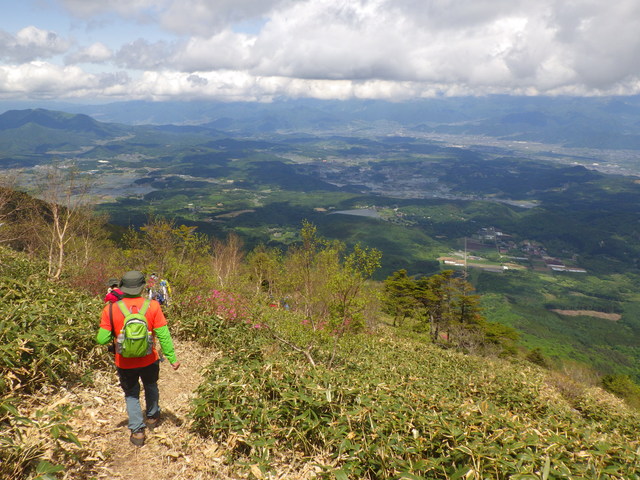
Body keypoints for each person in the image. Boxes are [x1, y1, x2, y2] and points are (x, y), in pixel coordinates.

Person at [96, 270, 181, 446]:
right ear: (143, 287)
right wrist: (172, 358)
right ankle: (152, 416)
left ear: (122, 288)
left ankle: (137, 432)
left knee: (131, 394)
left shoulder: (110, 308)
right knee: (151, 385)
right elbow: (164, 335)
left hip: (124, 362)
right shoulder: (153, 306)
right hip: (149, 359)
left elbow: (101, 339)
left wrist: (115, 333)